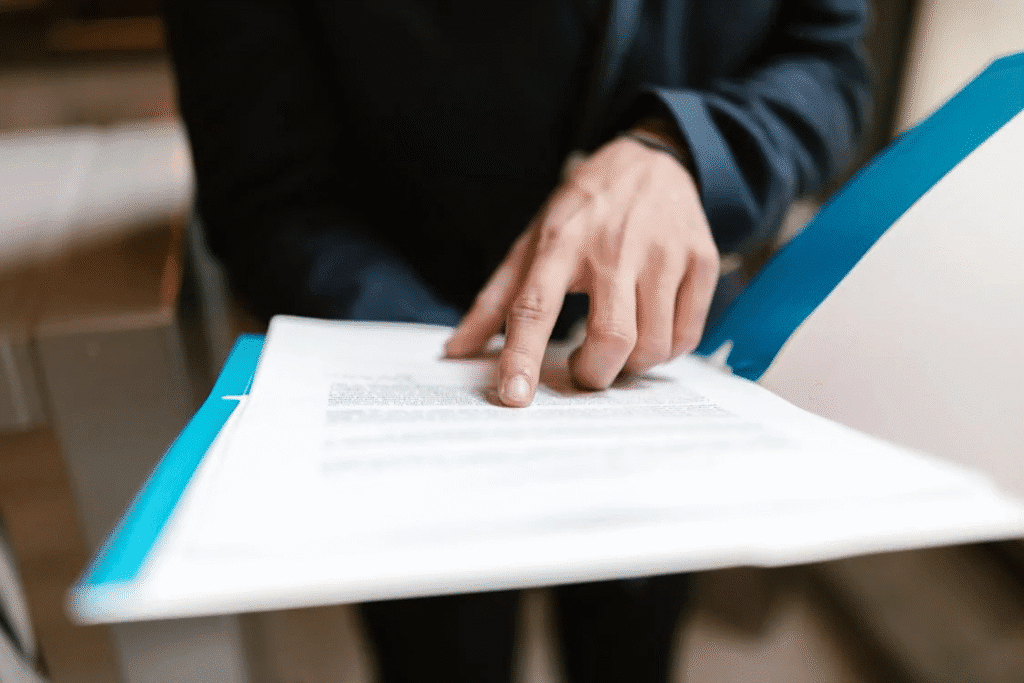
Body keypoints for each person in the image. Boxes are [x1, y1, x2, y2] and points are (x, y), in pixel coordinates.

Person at [162, 1, 871, 681]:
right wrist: (429, 362)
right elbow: (266, 186)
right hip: (412, 363)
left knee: (634, 642)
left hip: (656, 371)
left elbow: (828, 61)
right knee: (439, 653)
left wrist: (689, 148)